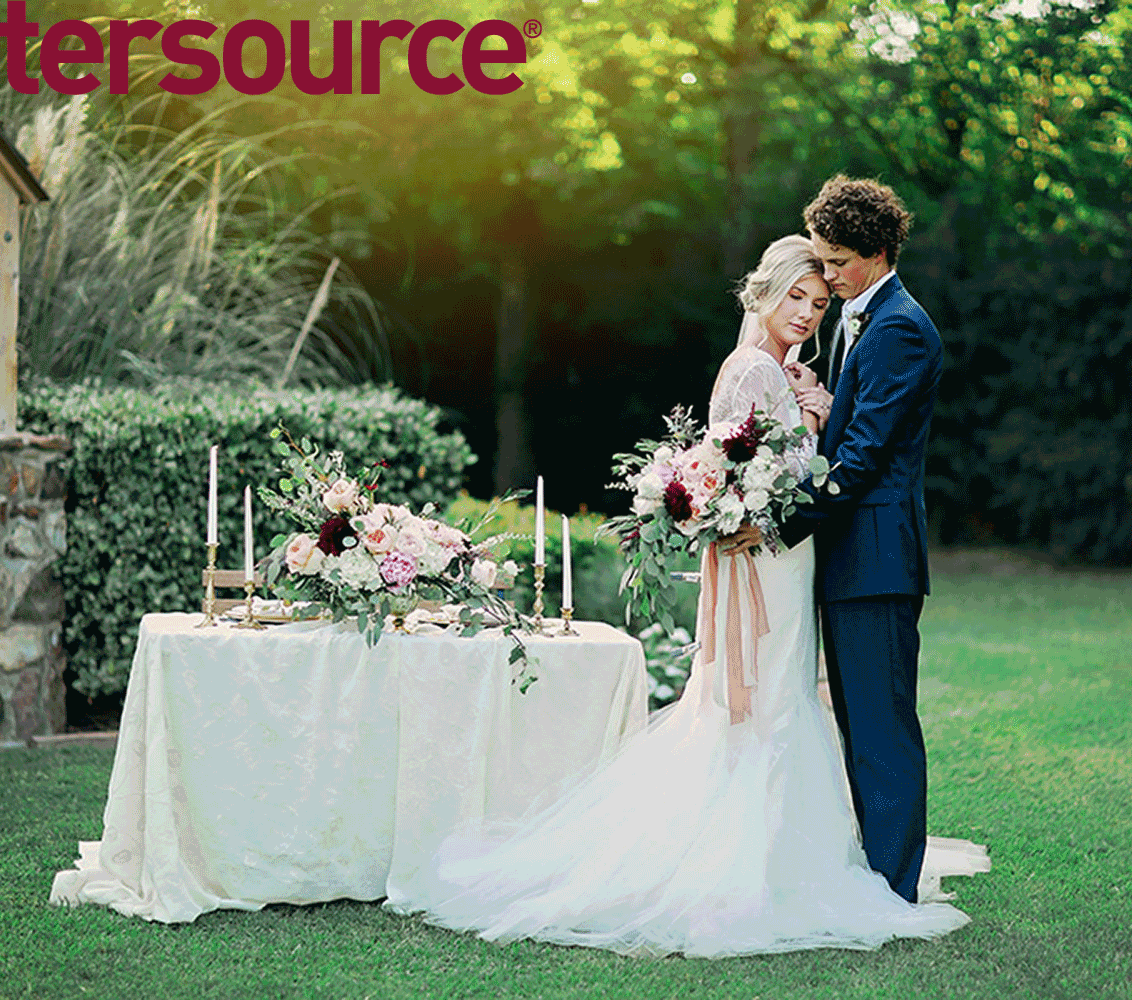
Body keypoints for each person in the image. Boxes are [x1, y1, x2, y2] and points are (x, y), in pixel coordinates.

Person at [382, 233, 987, 958]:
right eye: (796, 296)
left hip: (790, 559)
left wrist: (808, 410)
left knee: (786, 701)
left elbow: (779, 461)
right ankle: (757, 868)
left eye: (819, 303)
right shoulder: (753, 373)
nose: (807, 313)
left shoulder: (782, 370)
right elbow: (762, 468)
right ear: (761, 292)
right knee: (763, 706)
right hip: (772, 555)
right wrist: (769, 477)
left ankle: (801, 856)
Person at [722, 175, 943, 905]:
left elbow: (862, 457)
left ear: (878, 254)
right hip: (848, 557)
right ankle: (878, 872)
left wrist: (776, 524)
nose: (829, 274)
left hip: (876, 558)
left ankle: (894, 887)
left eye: (839, 261)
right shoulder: (861, 318)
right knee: (858, 723)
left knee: (881, 727)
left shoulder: (900, 326)